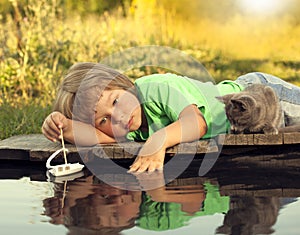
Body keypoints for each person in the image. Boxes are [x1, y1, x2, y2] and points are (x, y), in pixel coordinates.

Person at [42, 62, 300, 173]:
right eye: (103, 120)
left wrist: (159, 140)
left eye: (116, 101)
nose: (117, 118)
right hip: (251, 127)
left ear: (125, 84)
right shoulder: (127, 124)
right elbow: (99, 138)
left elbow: (195, 122)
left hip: (260, 98)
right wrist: (64, 128)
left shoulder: (155, 88)